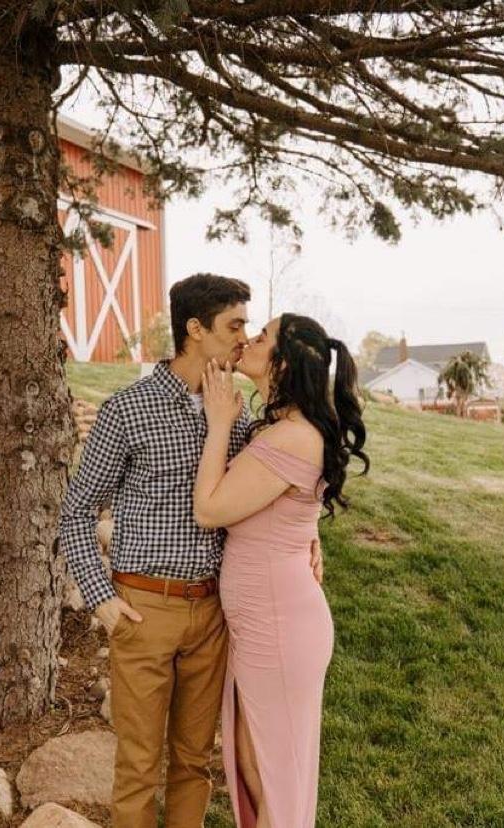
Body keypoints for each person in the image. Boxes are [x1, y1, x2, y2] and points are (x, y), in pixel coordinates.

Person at [59, 275, 322, 828]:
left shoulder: (238, 416)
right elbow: (77, 510)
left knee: (194, 763)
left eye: (249, 327)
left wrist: (309, 535)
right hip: (144, 609)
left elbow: (271, 489)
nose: (244, 337)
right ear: (196, 329)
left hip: (214, 615)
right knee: (138, 766)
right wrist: (101, 598)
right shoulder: (127, 410)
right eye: (235, 325)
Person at [193, 313, 369, 828]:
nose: (249, 339)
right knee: (254, 764)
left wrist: (218, 423)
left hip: (279, 627)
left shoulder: (292, 436)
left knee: (276, 776)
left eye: (263, 336)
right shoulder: (285, 429)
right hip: (264, 622)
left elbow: (209, 510)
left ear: (283, 362)